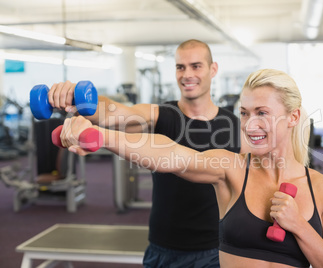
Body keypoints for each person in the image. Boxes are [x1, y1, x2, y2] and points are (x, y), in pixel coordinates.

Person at [59, 68, 323, 268]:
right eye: (244, 113)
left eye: (262, 113)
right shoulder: (231, 168)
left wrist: (300, 227)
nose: (250, 124)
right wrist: (100, 136)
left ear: (292, 118)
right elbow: (172, 155)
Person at [48, 39, 242, 267]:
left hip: (215, 250)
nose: (187, 74)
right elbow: (115, 113)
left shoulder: (234, 125)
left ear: (213, 69)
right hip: (163, 248)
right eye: (181, 67)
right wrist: (78, 100)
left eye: (196, 66)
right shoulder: (161, 115)